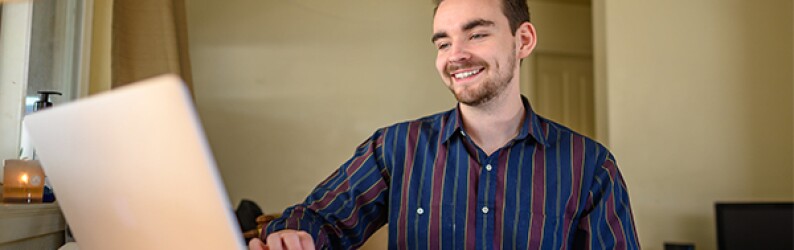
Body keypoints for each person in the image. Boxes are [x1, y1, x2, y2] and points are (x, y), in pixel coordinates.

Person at [250, 0, 639, 249]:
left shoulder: (589, 166)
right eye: (443, 43)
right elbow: (319, 219)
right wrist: (291, 235)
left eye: (477, 33)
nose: (457, 55)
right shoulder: (395, 147)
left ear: (523, 40)